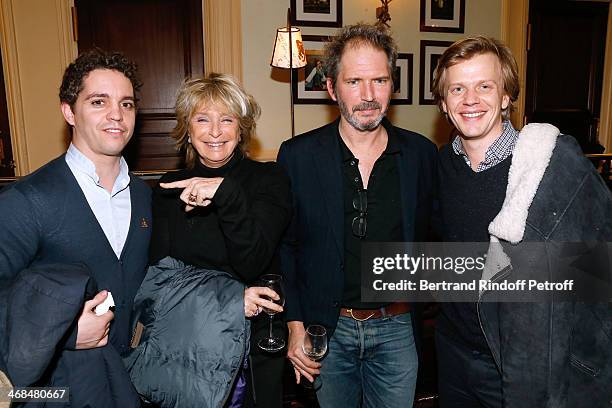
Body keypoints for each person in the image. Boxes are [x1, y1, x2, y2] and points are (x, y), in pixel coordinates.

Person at [432, 36, 612, 407]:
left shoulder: (553, 168)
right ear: (444, 104)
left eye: (485, 86)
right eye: (457, 89)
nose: (470, 99)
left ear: (505, 97)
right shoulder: (439, 166)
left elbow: (599, 266)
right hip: (453, 354)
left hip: (519, 363)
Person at [277, 23, 438, 407]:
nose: (368, 96)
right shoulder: (297, 156)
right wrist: (294, 325)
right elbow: (285, 247)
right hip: (326, 331)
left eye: (379, 80)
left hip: (398, 328)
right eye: (355, 82)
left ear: (392, 85)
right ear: (332, 88)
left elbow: (435, 237)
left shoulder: (421, 155)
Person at [0, 49, 151, 405]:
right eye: (99, 101)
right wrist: (65, 333)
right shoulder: (27, 200)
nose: (117, 114)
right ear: (69, 111)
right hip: (60, 390)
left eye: (126, 104)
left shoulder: (144, 196)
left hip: (129, 381)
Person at [148, 73, 291, 408]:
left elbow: (252, 262)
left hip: (252, 346)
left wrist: (227, 195)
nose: (214, 132)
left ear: (241, 129)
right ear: (187, 128)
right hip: (186, 344)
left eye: (226, 120)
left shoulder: (269, 180)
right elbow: (158, 277)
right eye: (202, 119)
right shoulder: (170, 188)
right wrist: (227, 301)